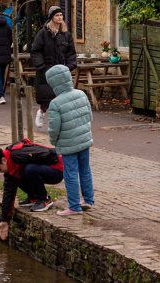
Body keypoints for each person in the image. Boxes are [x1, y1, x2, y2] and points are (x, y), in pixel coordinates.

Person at [0, 140, 64, 240]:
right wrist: (5, 220)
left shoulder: (18, 155)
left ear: (3, 160)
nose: (0, 172)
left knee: (29, 169)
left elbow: (47, 153)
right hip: (44, 170)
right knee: (17, 176)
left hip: (57, 169)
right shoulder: (10, 166)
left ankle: (45, 200)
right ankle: (34, 197)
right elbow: (8, 193)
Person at [46, 63, 95, 215]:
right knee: (85, 170)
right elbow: (90, 117)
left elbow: (54, 128)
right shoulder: (81, 94)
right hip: (84, 140)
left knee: (70, 173)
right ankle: (88, 199)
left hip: (67, 144)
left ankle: (74, 206)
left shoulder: (55, 104)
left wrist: (54, 141)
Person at [29, 6, 77, 128]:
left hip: (62, 71)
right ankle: (41, 112)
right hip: (46, 70)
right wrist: (42, 67)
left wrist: (70, 66)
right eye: (57, 15)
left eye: (61, 15)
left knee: (63, 98)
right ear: (52, 18)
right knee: (47, 97)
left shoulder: (66, 34)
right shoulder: (43, 33)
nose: (60, 17)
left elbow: (71, 53)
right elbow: (35, 51)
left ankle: (59, 123)